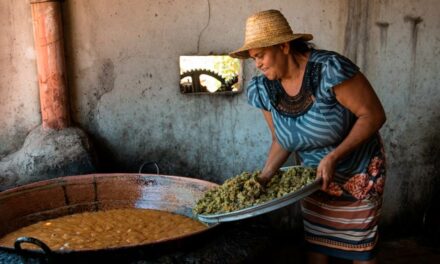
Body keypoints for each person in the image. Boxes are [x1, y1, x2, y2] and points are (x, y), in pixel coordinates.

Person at [229, 9, 386, 264]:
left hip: (359, 170)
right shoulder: (264, 88)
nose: (256, 63)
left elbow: (373, 115)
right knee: (318, 240)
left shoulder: (329, 70)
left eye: (260, 55)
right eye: (252, 58)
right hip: (314, 177)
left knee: (360, 246)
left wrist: (334, 156)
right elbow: (281, 140)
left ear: (284, 46)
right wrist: (264, 178)